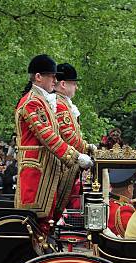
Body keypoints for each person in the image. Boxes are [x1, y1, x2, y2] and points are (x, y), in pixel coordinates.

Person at [14, 54, 93, 231]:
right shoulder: (31, 102)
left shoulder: (42, 100)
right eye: (52, 76)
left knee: (47, 218)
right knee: (37, 217)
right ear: (38, 77)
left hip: (47, 166)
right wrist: (76, 155)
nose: (55, 80)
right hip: (36, 167)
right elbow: (47, 135)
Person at [54, 63, 97, 219]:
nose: (76, 88)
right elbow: (68, 136)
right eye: (74, 84)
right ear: (63, 84)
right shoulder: (59, 104)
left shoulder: (63, 103)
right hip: (63, 163)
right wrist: (87, 148)